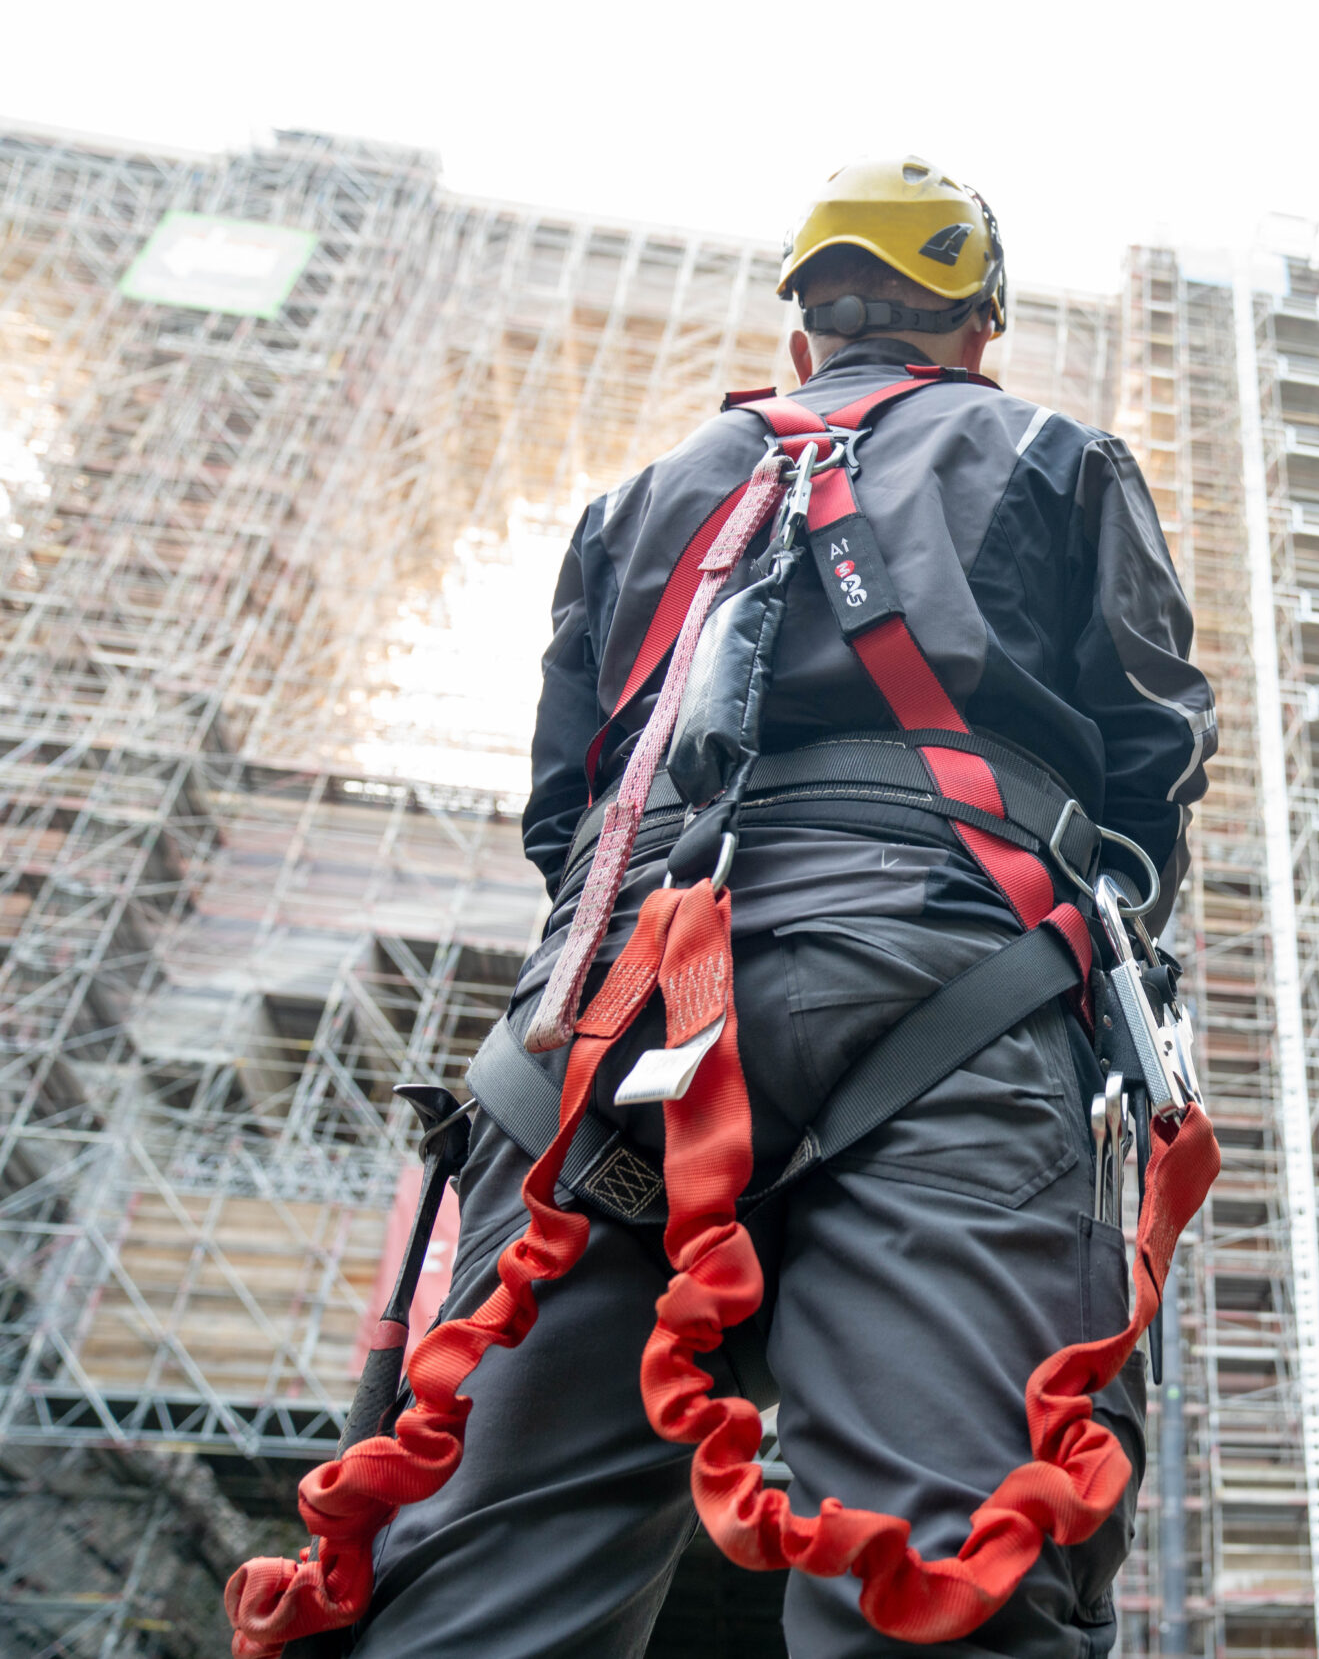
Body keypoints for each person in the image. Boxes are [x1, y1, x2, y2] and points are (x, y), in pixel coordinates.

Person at [285, 158, 1213, 1659]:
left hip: (608, 1021)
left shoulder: (640, 502)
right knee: (942, 1560)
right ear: (978, 333)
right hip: (949, 986)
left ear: (803, 337)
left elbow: (560, 808)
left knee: (483, 1590)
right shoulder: (1054, 455)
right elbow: (1151, 761)